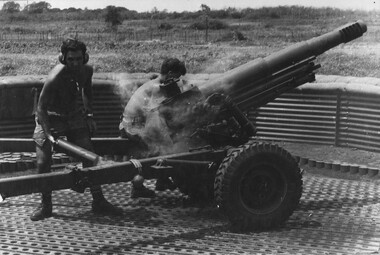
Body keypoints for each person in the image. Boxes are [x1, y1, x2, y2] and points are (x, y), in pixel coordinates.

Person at [31, 38, 122, 221]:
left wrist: (89, 115)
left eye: (78, 59)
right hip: (49, 117)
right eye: (70, 59)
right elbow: (40, 107)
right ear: (63, 58)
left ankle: (98, 200)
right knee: (42, 162)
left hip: (73, 116)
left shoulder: (87, 70)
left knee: (89, 155)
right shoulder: (56, 75)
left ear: (85, 57)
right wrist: (48, 134)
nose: (75, 63)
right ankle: (45, 205)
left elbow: (87, 92)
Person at [119, 58, 188, 198]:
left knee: (164, 141)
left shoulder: (155, 82)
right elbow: (156, 115)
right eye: (176, 77)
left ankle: (162, 180)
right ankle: (138, 188)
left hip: (130, 124)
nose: (177, 80)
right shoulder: (157, 88)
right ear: (169, 74)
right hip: (133, 128)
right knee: (168, 146)